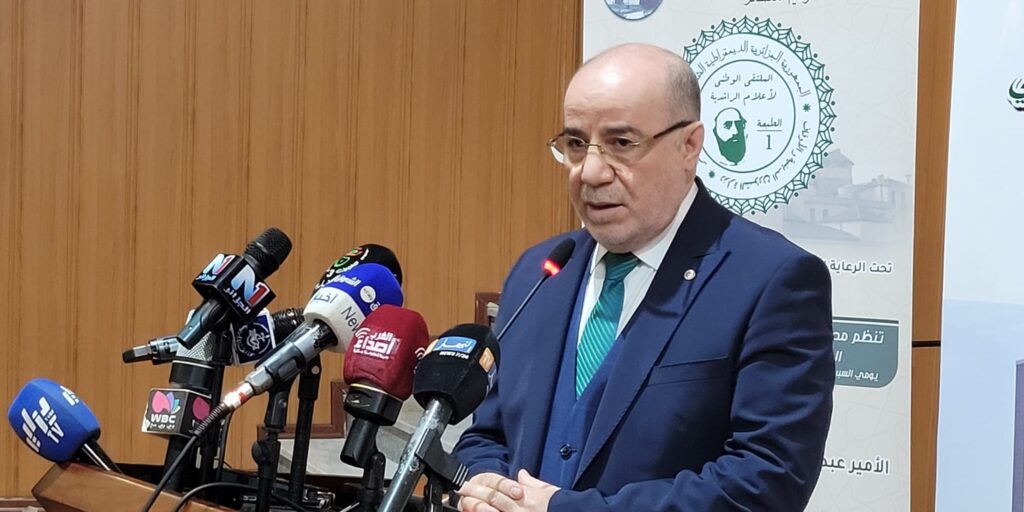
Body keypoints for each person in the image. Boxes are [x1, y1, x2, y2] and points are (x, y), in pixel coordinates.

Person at [453, 43, 834, 512]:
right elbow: (487, 435)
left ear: (689, 145)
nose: (591, 173)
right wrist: (487, 487)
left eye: (621, 143)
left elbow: (767, 479)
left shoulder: (772, 280)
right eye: (576, 144)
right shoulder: (541, 271)